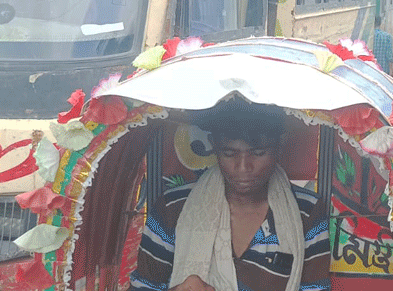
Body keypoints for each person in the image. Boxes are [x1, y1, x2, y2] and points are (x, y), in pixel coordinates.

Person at [130, 100, 331, 291]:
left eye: (258, 153)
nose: (243, 167)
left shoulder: (307, 210)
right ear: (213, 146)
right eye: (229, 153)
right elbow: (144, 286)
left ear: (279, 147)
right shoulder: (173, 206)